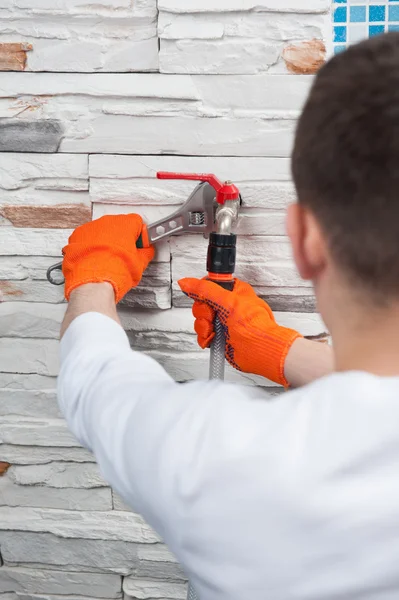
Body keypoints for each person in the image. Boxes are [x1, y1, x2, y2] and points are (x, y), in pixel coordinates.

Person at [58, 32, 399, 599]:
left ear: (304, 240)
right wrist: (281, 350)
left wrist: (93, 275)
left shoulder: (219, 456)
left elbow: (92, 382)